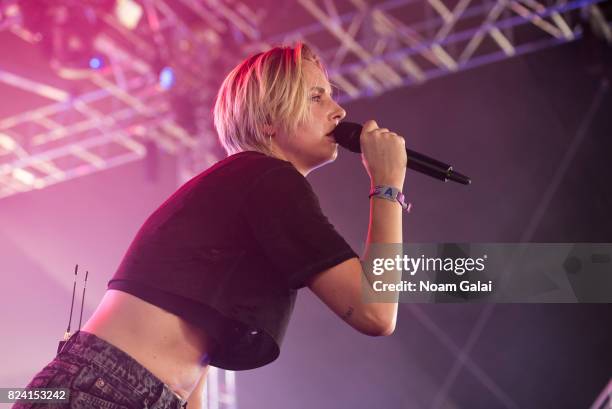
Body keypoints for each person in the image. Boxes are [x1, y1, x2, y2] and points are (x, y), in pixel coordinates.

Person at [13, 42, 407, 409]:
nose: (339, 111)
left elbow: (196, 346)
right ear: (269, 120)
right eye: (316, 97)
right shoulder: (268, 178)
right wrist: (387, 186)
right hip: (108, 387)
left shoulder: (245, 189)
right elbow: (375, 313)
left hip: (118, 387)